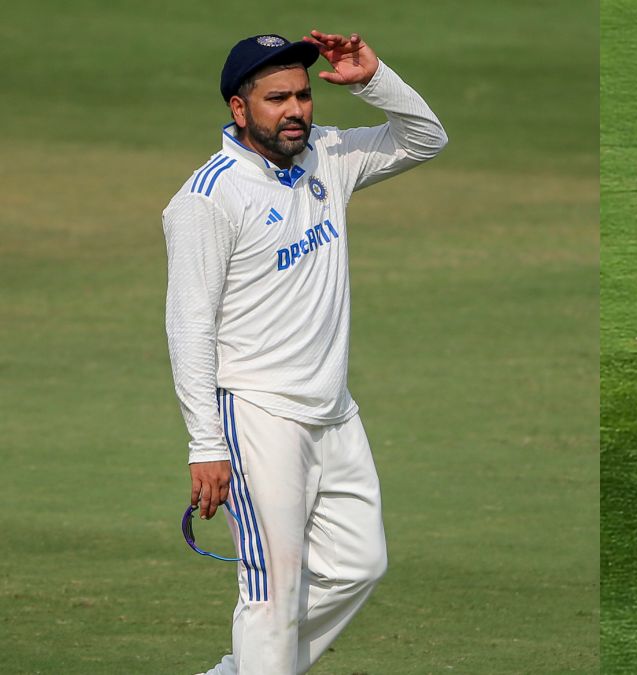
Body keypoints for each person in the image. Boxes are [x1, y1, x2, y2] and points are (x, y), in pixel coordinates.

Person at [162, 31, 447, 674]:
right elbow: (188, 327)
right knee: (271, 594)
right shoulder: (207, 200)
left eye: (302, 94)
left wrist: (374, 79)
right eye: (275, 98)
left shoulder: (329, 156)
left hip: (333, 410)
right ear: (240, 109)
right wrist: (204, 443)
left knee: (358, 566)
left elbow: (426, 138)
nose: (295, 110)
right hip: (258, 414)